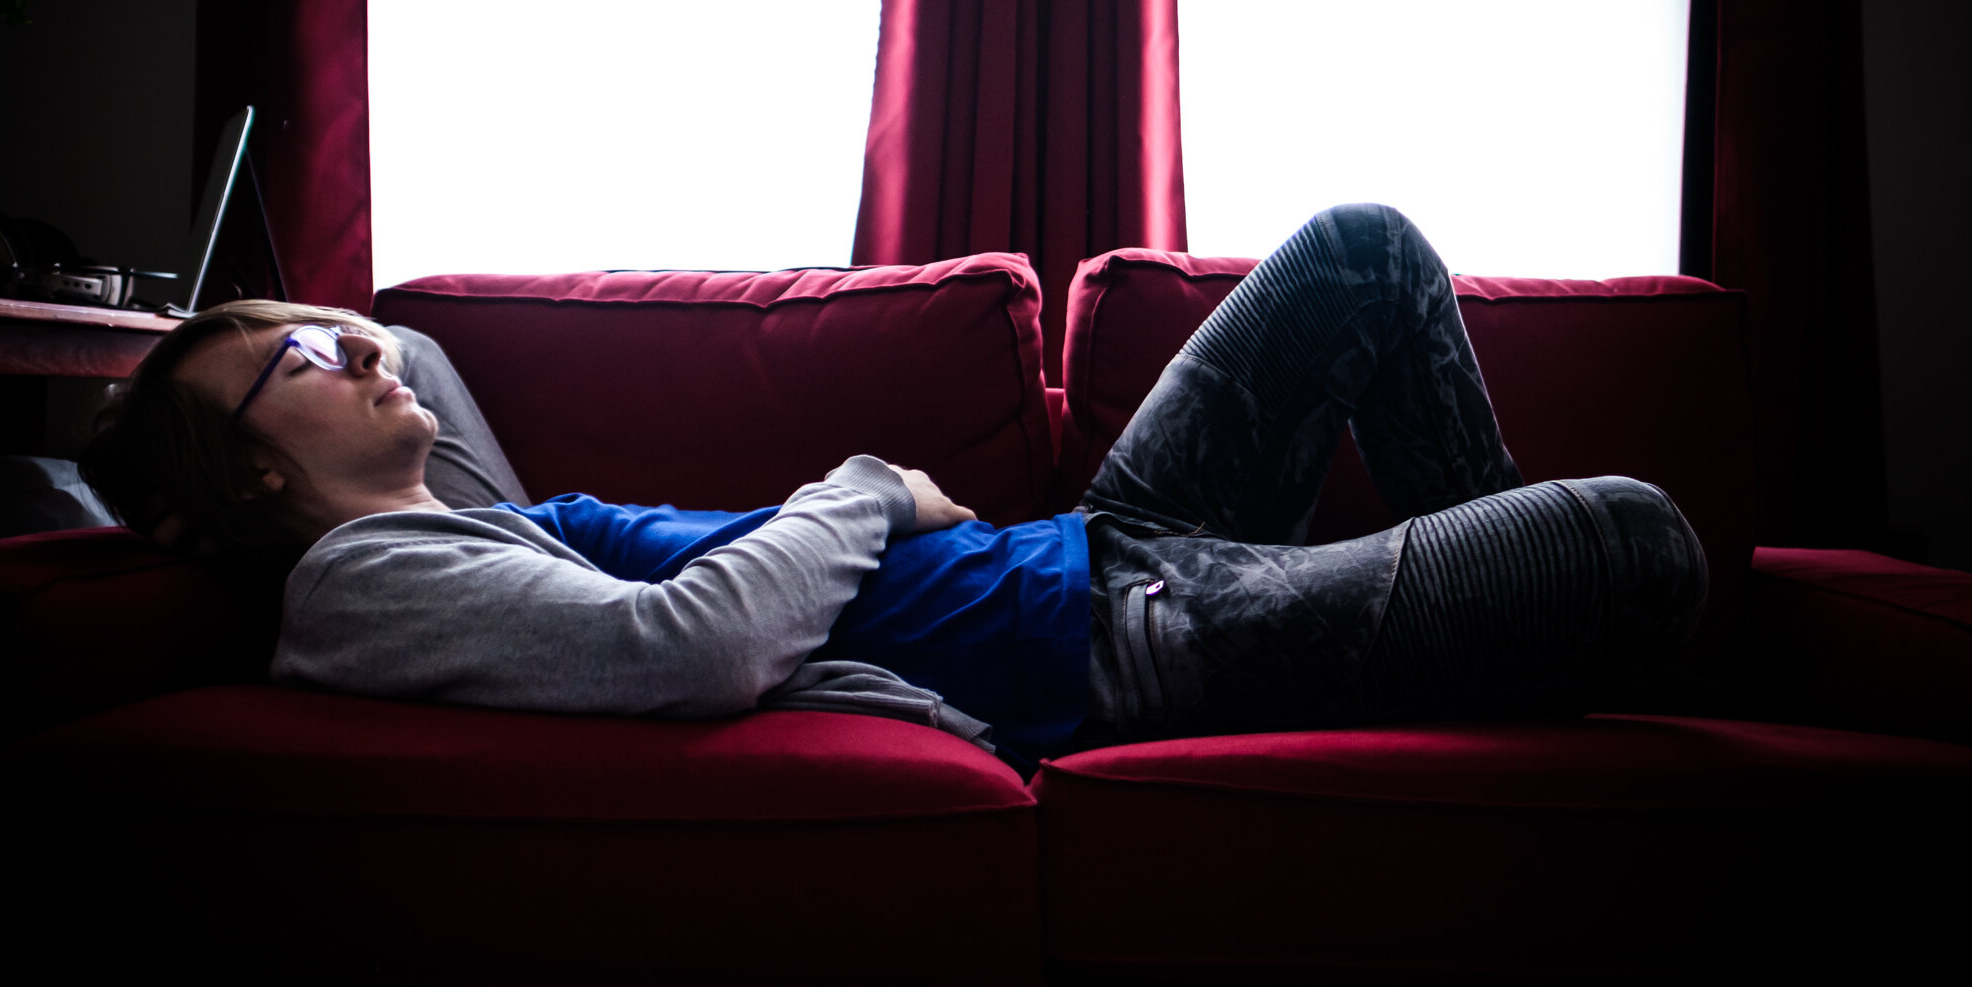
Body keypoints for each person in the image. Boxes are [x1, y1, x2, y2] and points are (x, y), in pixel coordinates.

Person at [82, 205, 1708, 774]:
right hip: (1104, 640)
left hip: (1089, 552)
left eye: (326, 334)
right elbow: (686, 655)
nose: (356, 357)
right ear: (249, 470)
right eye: (303, 364)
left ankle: (1499, 671)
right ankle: (1513, 644)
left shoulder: (445, 524)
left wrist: (284, 352)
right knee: (1631, 538)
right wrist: (862, 486)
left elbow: (418, 345)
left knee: (1362, 248)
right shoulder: (363, 587)